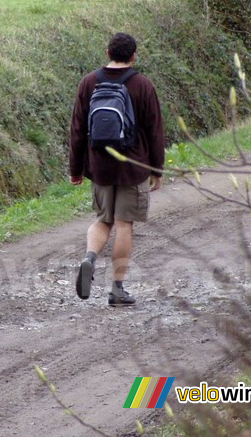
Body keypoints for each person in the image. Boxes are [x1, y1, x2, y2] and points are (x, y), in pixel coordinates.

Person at [69, 32, 165, 306]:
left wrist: (76, 168)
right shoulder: (142, 85)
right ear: (134, 56)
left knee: (103, 219)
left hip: (99, 166)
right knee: (124, 224)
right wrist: (156, 169)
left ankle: (89, 258)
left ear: (107, 52)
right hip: (132, 167)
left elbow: (77, 129)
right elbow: (154, 130)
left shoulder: (89, 82)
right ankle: (117, 289)